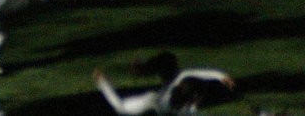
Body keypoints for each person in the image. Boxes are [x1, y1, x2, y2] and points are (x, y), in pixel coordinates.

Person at [93, 51, 236, 115]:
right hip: (157, 101)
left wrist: (103, 83)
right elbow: (192, 73)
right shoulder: (169, 92)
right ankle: (143, 68)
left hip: (158, 103)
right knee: (168, 59)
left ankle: (142, 68)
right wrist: (221, 76)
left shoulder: (183, 105)